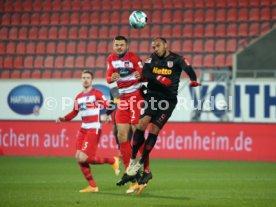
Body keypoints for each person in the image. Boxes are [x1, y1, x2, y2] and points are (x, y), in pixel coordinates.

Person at [120, 37, 201, 194]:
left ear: (165, 45)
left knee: (154, 130)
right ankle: (132, 160)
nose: (155, 48)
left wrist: (193, 80)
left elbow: (189, 69)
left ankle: (142, 163)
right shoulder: (152, 58)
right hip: (152, 96)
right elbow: (145, 72)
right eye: (153, 46)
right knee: (141, 124)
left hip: (168, 101)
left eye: (157, 46)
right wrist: (159, 77)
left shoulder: (177, 59)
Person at [56, 70, 120, 193]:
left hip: (94, 128)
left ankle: (112, 160)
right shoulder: (79, 97)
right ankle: (92, 186)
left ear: (92, 80)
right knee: (78, 157)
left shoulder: (96, 94)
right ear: (81, 80)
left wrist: (107, 115)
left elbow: (108, 105)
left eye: (88, 78)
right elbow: (74, 112)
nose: (85, 79)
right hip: (83, 128)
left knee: (84, 157)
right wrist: (63, 118)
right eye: (83, 77)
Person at [106, 36, 151, 194]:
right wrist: (112, 78)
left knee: (137, 136)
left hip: (136, 97)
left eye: (121, 45)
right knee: (122, 137)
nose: (118, 47)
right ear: (113, 46)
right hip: (123, 99)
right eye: (116, 45)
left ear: (127, 46)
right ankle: (131, 176)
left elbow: (144, 74)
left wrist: (141, 76)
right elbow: (108, 78)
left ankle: (146, 171)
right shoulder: (111, 59)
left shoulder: (133, 57)